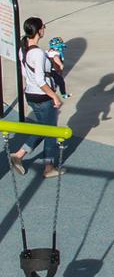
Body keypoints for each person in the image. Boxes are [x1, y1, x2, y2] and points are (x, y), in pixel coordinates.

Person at [7, 18, 64, 179]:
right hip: (42, 96)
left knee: (41, 127)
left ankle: (19, 154)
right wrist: (54, 96)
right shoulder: (38, 53)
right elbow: (40, 80)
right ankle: (48, 167)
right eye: (43, 27)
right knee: (50, 131)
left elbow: (27, 73)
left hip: (30, 94)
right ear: (39, 30)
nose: (44, 29)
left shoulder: (23, 48)